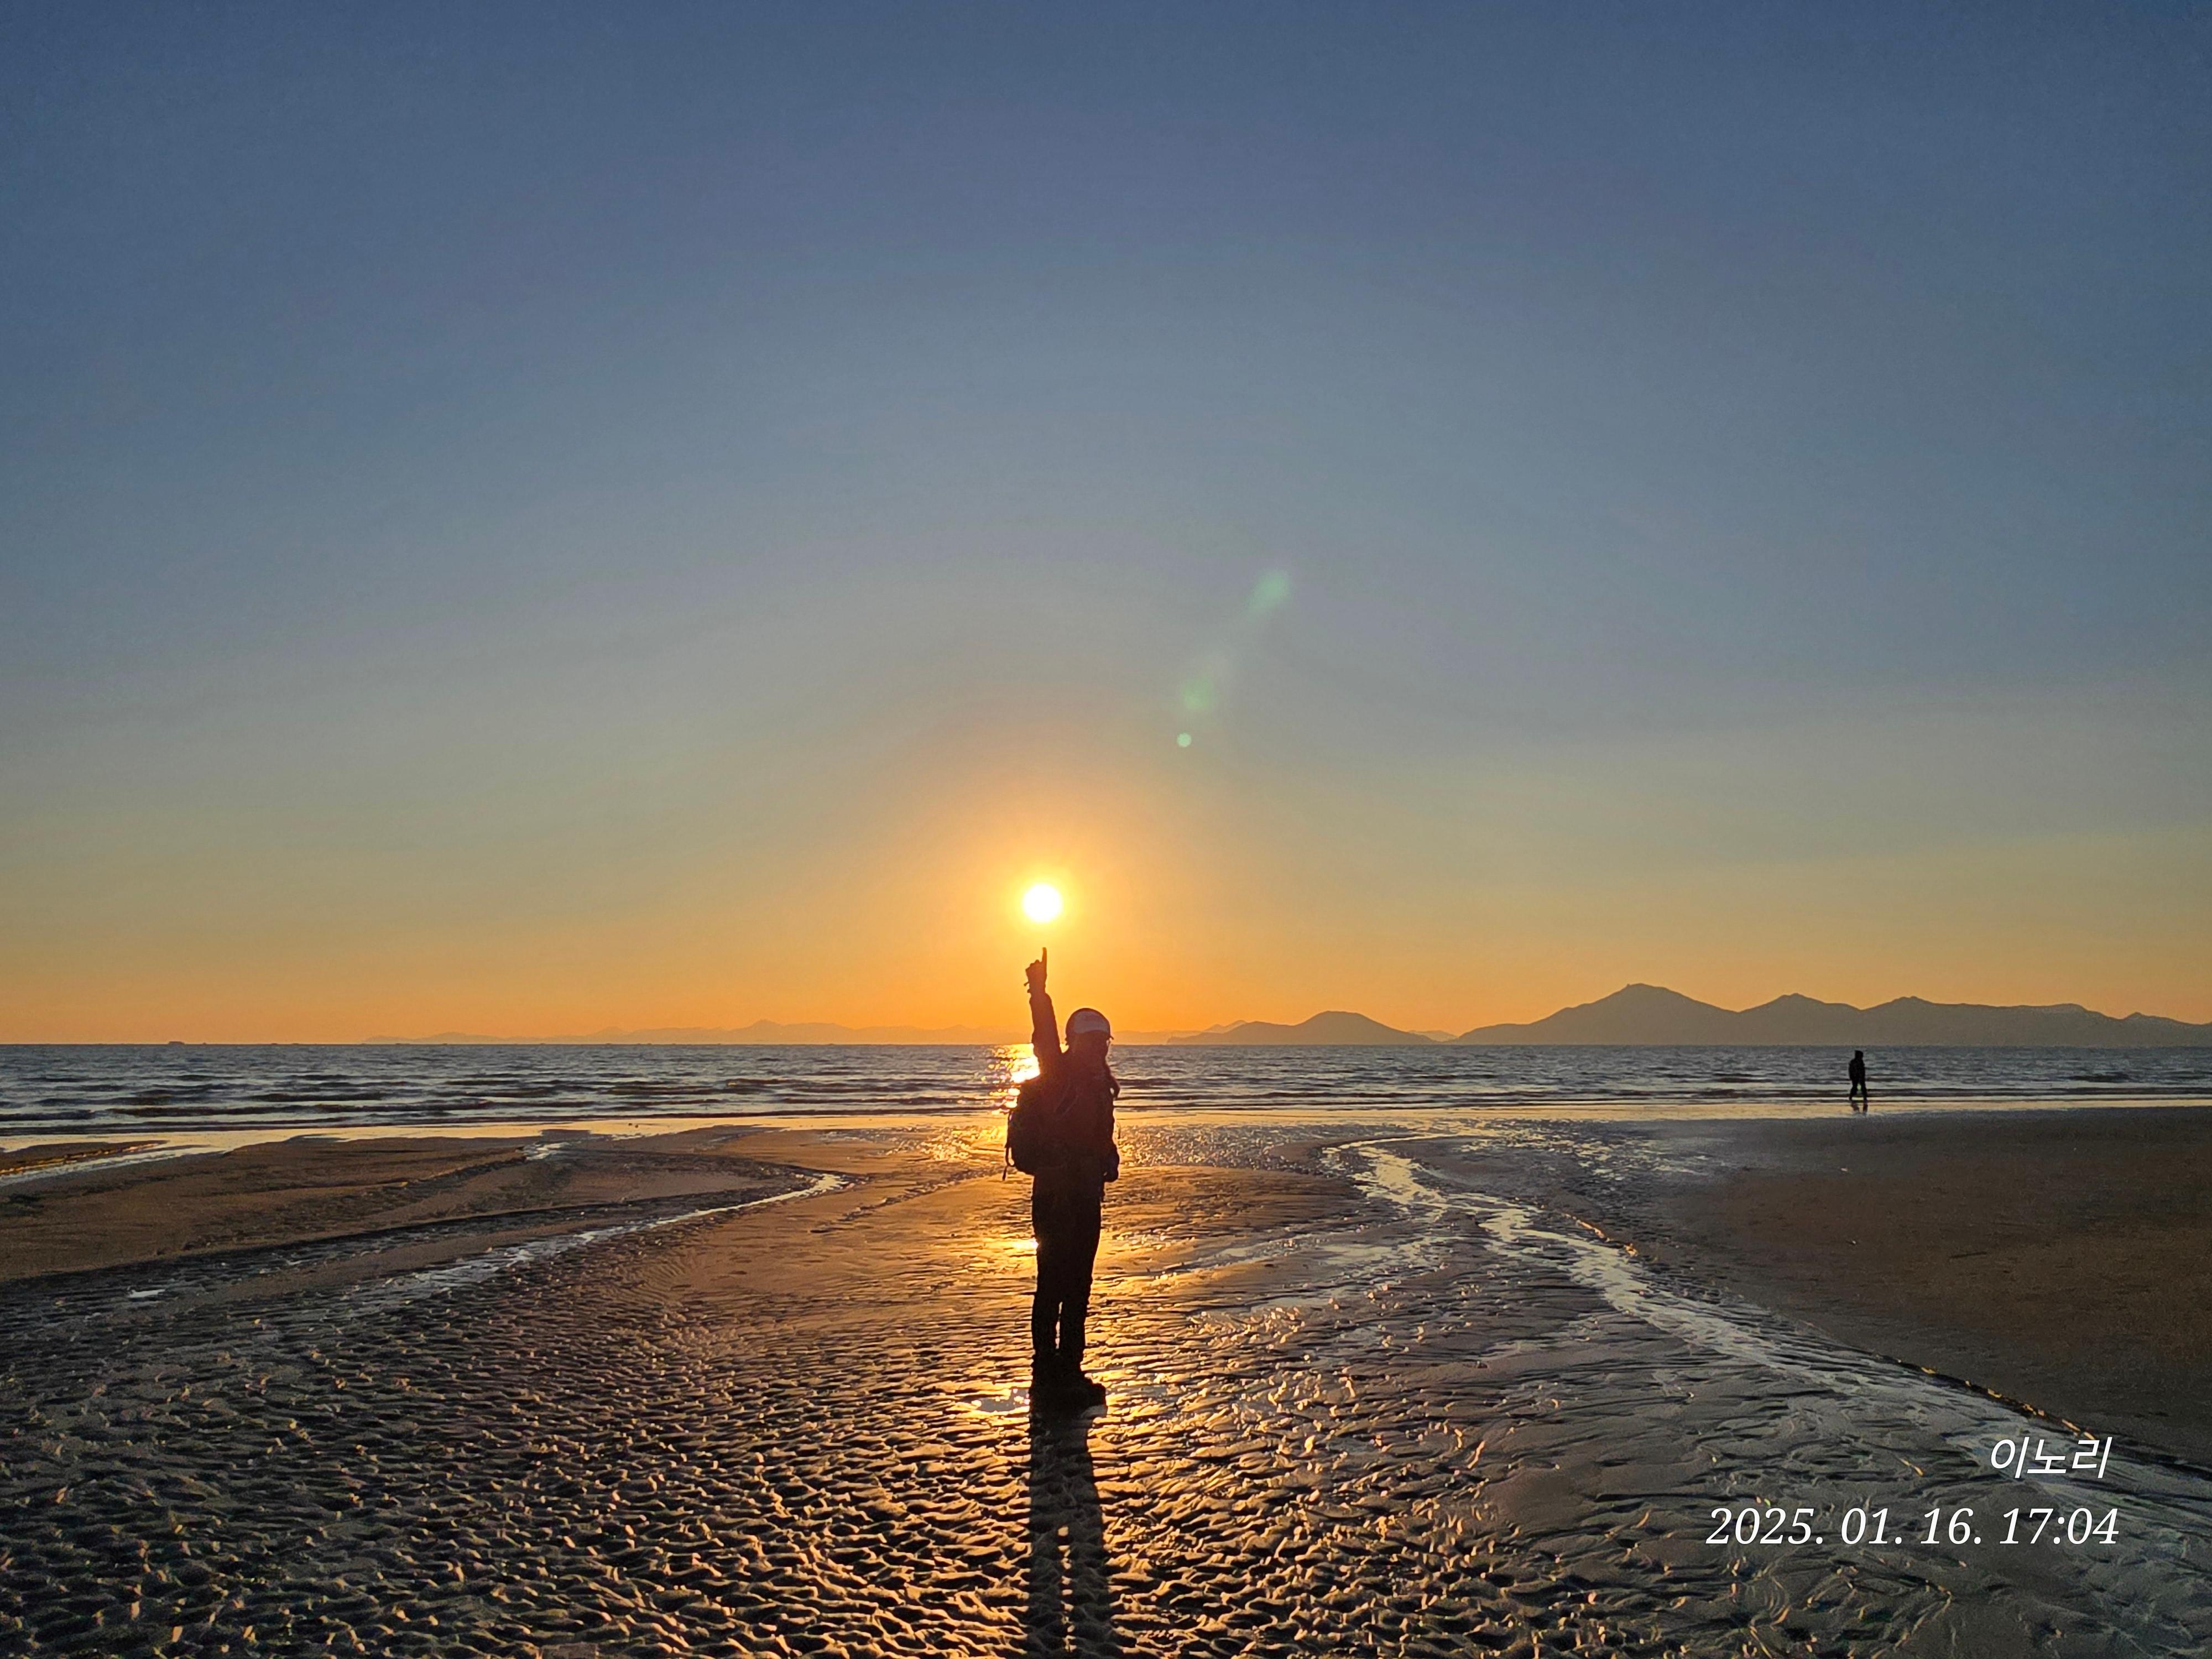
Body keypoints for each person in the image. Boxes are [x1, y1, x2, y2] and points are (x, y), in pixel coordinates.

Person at [1024, 950, 1119, 1409]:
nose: (1098, 1049)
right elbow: (1044, 1036)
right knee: (1053, 1284)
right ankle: (1046, 1374)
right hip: (1055, 1198)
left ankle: (1070, 1370)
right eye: (1090, 1041)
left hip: (1085, 1196)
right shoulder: (1057, 1075)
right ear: (1073, 1042)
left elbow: (1102, 1137)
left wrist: (1109, 1159)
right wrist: (1040, 993)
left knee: (1079, 1284)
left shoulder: (1100, 1086)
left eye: (1103, 1042)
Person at [1848, 1049, 1869, 1113]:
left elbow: (1863, 1070)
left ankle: (1865, 1098)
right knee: (1856, 1087)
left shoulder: (1860, 1062)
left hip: (1861, 1077)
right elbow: (1851, 1070)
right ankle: (1851, 1097)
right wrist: (1852, 1076)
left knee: (1863, 1088)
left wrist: (1863, 1076)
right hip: (1856, 1077)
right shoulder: (1854, 1062)